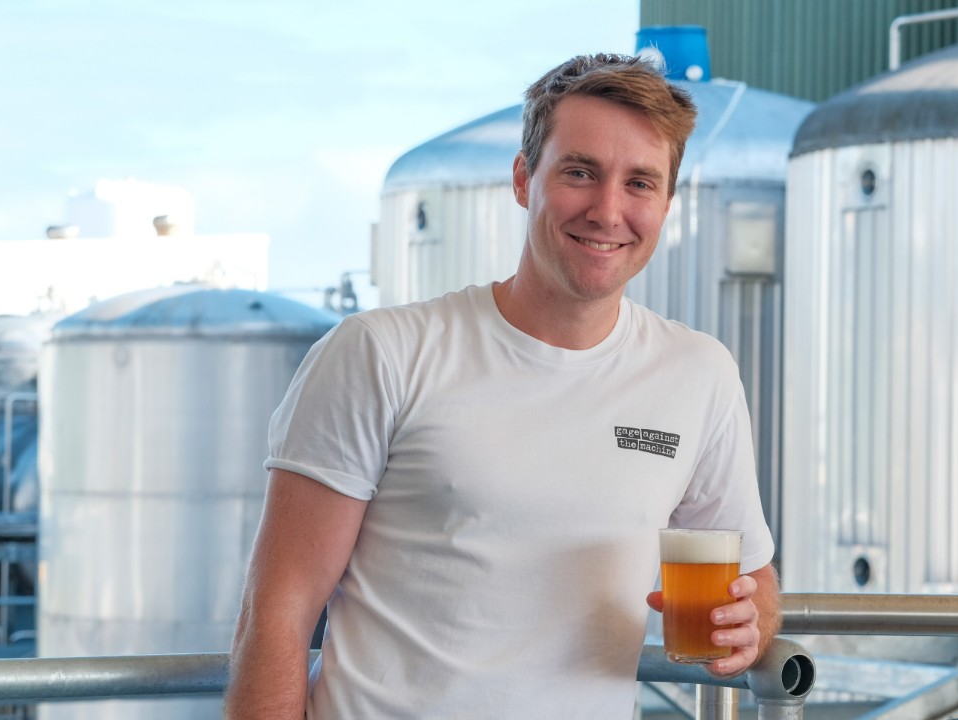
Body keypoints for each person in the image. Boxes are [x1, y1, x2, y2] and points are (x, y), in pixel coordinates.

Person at [226, 52, 779, 719]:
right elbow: (277, 610)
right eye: (580, 173)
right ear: (524, 179)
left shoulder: (699, 373)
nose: (608, 211)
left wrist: (750, 624)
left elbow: (754, 579)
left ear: (666, 203)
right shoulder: (382, 353)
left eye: (640, 183)